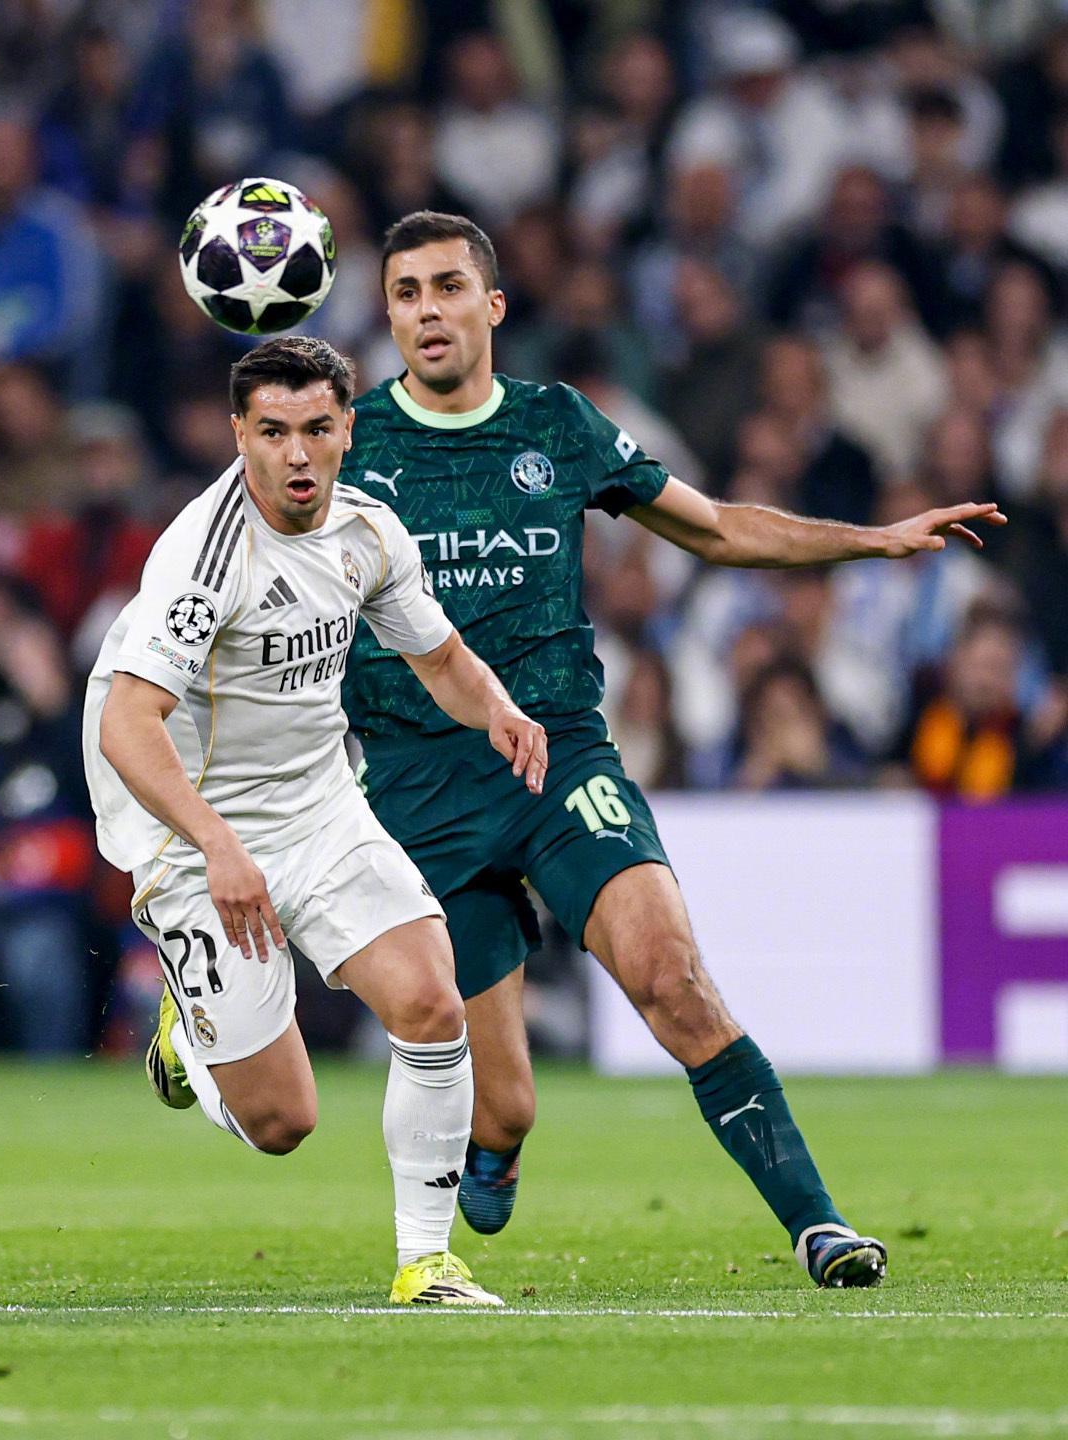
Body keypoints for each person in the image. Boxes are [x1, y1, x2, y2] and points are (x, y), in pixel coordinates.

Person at [339, 210, 1006, 1289]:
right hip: (422, 788)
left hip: (560, 763)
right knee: (503, 1104)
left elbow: (717, 527)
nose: (428, 311)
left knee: (673, 978)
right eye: (407, 292)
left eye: (449, 287)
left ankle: (820, 1224)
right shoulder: (351, 443)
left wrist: (872, 542)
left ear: (493, 306)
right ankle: (497, 1142)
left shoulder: (557, 424)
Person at [82, 336, 548, 1307]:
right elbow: (128, 724)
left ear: (348, 431)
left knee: (431, 1000)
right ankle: (188, 1038)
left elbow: (440, 657)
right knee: (282, 1122)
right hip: (191, 825)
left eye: (316, 429)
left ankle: (426, 1263)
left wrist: (500, 709)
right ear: (238, 435)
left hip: (320, 805)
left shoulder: (369, 532)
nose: (296, 453)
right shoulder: (204, 558)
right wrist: (217, 846)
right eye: (273, 432)